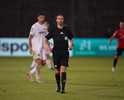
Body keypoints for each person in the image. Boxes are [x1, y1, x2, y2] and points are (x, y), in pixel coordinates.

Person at [44, 13, 74, 93]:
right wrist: (47, 46)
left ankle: (63, 89)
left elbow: (71, 38)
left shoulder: (67, 29)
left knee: (63, 69)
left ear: (63, 20)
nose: (60, 20)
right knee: (57, 71)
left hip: (64, 52)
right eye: (59, 19)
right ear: (56, 20)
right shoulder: (53, 30)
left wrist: (71, 44)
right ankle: (58, 86)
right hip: (56, 52)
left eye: (62, 19)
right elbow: (45, 39)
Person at [27, 13, 47, 83]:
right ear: (38, 18)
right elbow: (30, 37)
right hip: (36, 47)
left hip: (43, 47)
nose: (42, 19)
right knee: (39, 62)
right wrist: (30, 48)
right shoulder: (34, 26)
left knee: (44, 63)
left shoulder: (45, 26)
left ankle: (31, 73)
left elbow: (46, 36)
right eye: (41, 17)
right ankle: (38, 79)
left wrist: (48, 45)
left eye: (43, 17)